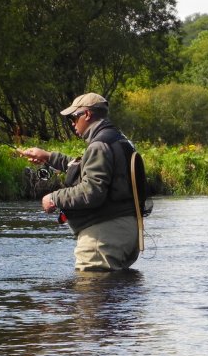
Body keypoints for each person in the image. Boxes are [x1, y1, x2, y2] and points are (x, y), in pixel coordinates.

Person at [19, 93, 143, 273]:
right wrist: (48, 156)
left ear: (86, 114)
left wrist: (54, 197)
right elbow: (84, 167)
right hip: (126, 232)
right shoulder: (118, 140)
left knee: (91, 295)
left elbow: (91, 191)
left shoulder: (99, 145)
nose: (72, 123)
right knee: (114, 297)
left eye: (73, 117)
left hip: (103, 236)